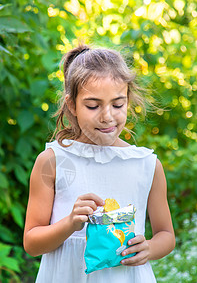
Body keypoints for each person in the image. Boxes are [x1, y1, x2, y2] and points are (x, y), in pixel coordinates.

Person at [23, 45, 176, 283]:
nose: (107, 116)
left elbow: (166, 235)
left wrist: (149, 248)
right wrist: (70, 223)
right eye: (93, 106)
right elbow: (32, 243)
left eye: (117, 104)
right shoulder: (52, 161)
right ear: (72, 104)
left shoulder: (146, 165)